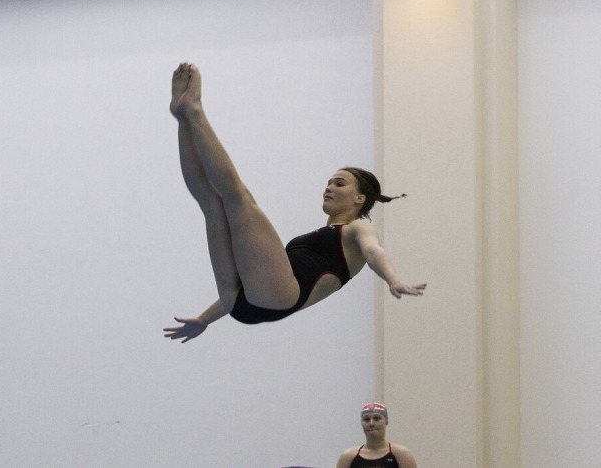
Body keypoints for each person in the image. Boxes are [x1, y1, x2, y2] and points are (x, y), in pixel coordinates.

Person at [163, 63, 426, 343]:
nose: (329, 187)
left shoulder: (357, 229)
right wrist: (203, 320)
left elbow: (374, 252)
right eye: (328, 182)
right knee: (210, 203)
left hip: (278, 297)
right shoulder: (320, 238)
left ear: (360, 199)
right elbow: (258, 275)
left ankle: (195, 111)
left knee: (239, 199)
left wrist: (392, 279)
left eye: (339, 183)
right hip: (236, 302)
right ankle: (183, 119)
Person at [336, 402, 418, 468]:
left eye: (377, 418)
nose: (371, 423)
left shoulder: (401, 454)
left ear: (386, 421)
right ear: (361, 423)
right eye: (366, 419)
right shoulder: (348, 457)